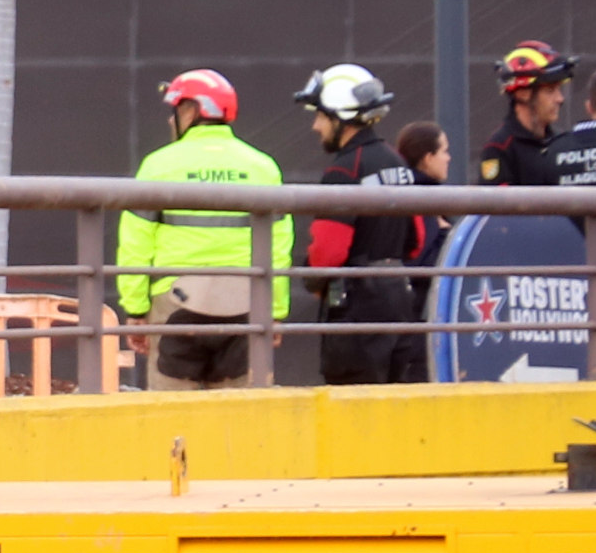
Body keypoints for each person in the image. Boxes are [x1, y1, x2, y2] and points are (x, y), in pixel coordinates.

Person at [112, 69, 286, 388]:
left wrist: (136, 310)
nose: (170, 120)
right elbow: (278, 247)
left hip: (176, 303)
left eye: (176, 110)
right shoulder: (263, 167)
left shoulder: (158, 165)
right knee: (244, 416)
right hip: (247, 303)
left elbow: (135, 244)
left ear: (192, 110)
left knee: (174, 418)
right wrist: (274, 312)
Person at [294, 64, 426, 385]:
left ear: (340, 117)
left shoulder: (344, 170)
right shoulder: (397, 163)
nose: (315, 126)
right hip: (398, 298)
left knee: (351, 404)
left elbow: (328, 253)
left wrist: (312, 280)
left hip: (357, 307)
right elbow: (416, 240)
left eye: (321, 117)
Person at [478, 41, 581, 186]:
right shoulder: (499, 148)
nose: (560, 99)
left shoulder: (561, 143)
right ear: (523, 93)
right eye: (550, 90)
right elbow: (495, 206)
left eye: (559, 90)